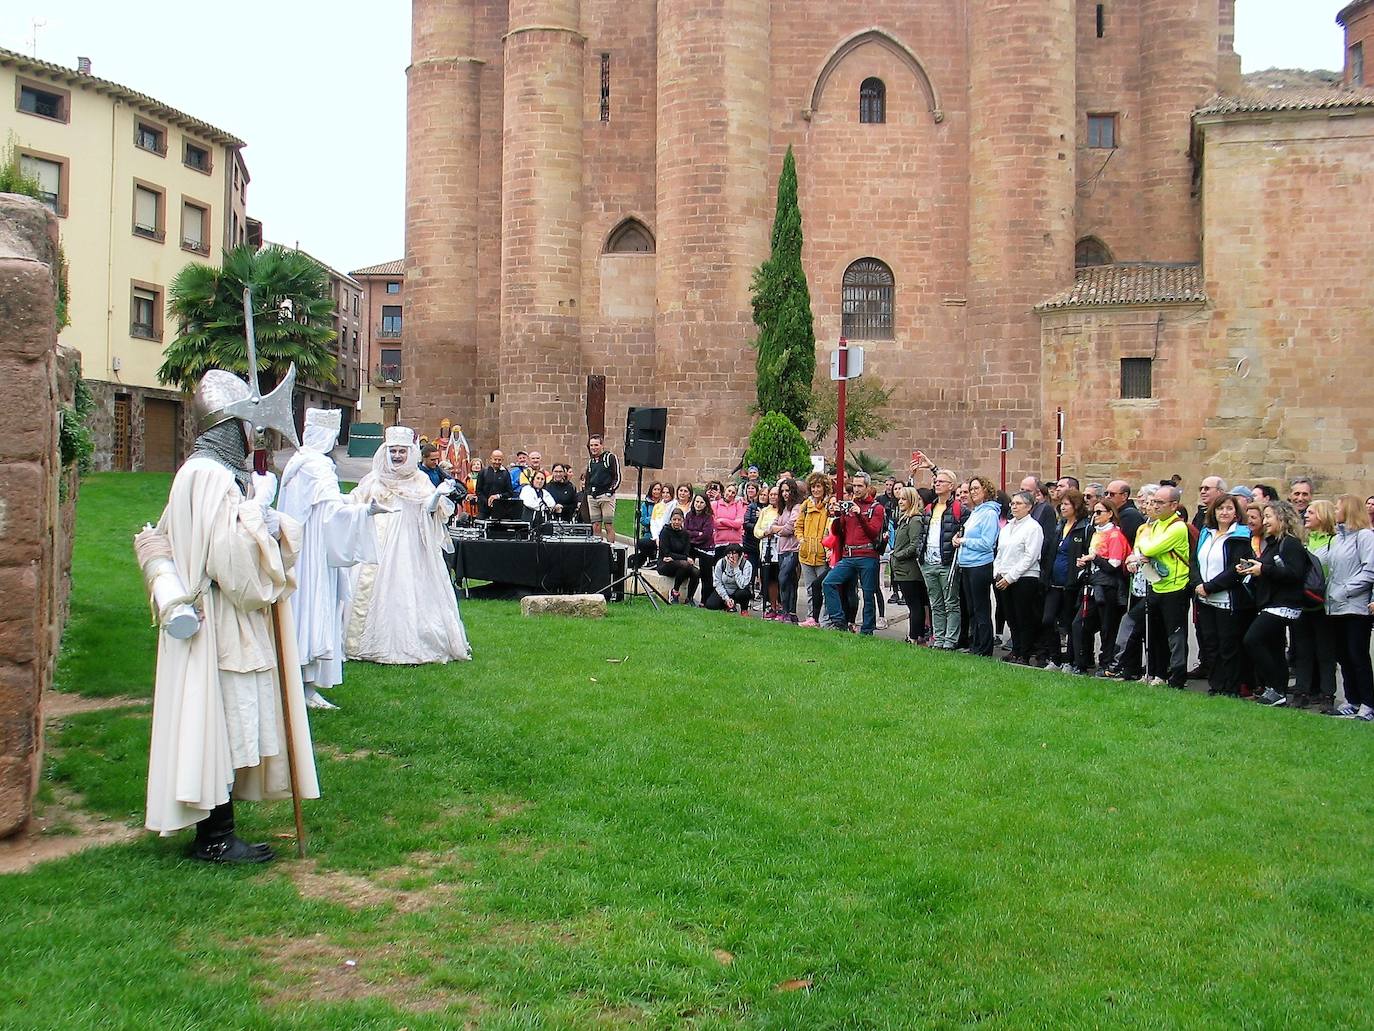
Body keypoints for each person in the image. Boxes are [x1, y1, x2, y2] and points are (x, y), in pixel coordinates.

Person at [142, 369, 319, 862]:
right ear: (231, 425)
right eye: (248, 425)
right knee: (220, 720)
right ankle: (215, 839)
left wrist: (259, 520)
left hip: (210, 618)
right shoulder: (214, 478)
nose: (252, 436)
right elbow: (235, 568)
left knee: (216, 720)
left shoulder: (196, 473)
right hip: (217, 620)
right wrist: (268, 526)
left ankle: (216, 831)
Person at [277, 408, 384, 711]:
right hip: (313, 554)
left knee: (300, 608)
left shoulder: (297, 463)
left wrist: (349, 502)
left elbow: (322, 507)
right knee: (314, 607)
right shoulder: (318, 466)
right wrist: (365, 511)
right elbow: (330, 515)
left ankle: (297, 679)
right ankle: (306, 685)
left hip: (298, 549)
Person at [345, 427, 472, 665]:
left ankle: (406, 643)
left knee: (405, 590)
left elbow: (429, 509)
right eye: (393, 451)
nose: (396, 456)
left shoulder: (420, 479)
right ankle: (360, 642)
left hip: (408, 545)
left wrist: (436, 497)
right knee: (369, 588)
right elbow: (355, 501)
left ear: (410, 452)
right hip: (375, 543)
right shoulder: (374, 479)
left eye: (401, 451)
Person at [1240, 500, 1308, 707]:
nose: (1266, 521)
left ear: (1282, 518)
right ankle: (1277, 691)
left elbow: (1295, 574)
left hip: (1283, 604)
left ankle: (1275, 687)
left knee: (1253, 639)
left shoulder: (1291, 543)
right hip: (1270, 601)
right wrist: (1253, 569)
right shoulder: (1273, 543)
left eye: (1269, 516)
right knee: (1274, 647)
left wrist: (1264, 570)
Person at [1191, 492, 1255, 696]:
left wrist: (1211, 586)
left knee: (1229, 645)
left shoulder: (1242, 536)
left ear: (1236, 512)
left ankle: (1231, 687)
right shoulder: (1206, 533)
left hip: (1228, 599)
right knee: (1211, 644)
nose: (1224, 512)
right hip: (1204, 598)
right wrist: (1199, 584)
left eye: (1229, 508)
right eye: (1220, 508)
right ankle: (1216, 684)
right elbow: (1195, 562)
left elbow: (1237, 568)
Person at [1131, 485, 1192, 690]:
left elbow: (1148, 548)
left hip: (1175, 586)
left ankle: (1177, 676)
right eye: (1153, 501)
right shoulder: (1156, 525)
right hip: (1156, 585)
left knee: (1174, 634)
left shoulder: (1177, 527)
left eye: (1159, 502)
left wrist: (1144, 549)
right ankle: (1156, 673)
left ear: (1174, 505)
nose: (1154, 506)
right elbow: (1140, 547)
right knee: (1154, 632)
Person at [1323, 495, 1374, 719]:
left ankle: (1368, 703)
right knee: (1343, 655)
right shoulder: (1338, 539)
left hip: (1356, 607)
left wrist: (1344, 590)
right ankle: (1352, 700)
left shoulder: (1365, 537)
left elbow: (1368, 570)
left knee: (1357, 655)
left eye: (1337, 508)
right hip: (1335, 606)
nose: (1335, 512)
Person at [908, 458, 965, 651]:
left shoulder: (958, 509)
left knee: (951, 602)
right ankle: (939, 638)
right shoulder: (929, 508)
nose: (936, 483)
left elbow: (966, 531)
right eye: (936, 481)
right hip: (928, 561)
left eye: (941, 481)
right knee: (935, 603)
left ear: (951, 486)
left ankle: (951, 639)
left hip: (947, 562)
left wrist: (933, 466)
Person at [1071, 496, 1131, 675]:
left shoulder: (1115, 535)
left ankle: (1106, 664)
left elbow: (1114, 565)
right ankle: (1081, 662)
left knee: (1108, 628)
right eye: (1093, 512)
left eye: (1099, 512)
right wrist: (1084, 563)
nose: (1095, 515)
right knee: (1079, 624)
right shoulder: (1096, 533)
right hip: (1093, 584)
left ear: (1110, 514)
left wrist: (1093, 558)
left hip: (1109, 587)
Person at [1288, 500, 1338, 710]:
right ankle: (1302, 691)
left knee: (1325, 652)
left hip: (1323, 604)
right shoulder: (1303, 541)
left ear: (1323, 515)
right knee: (1303, 651)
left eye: (1311, 512)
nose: (1306, 515)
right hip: (1302, 602)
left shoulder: (1333, 542)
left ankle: (1327, 694)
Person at [823, 472, 886, 634]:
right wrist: (837, 515)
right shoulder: (849, 505)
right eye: (854, 485)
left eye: (860, 486)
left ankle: (867, 630)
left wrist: (859, 514)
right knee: (828, 582)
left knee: (868, 593)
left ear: (868, 487)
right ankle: (839, 620)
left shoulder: (876, 508)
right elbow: (838, 532)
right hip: (849, 556)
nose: (856, 489)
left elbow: (873, 532)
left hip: (867, 555)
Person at [1039, 489, 1089, 669]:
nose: (1062, 507)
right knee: (1047, 619)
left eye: (1066, 504)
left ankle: (1069, 660)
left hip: (1071, 584)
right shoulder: (1059, 527)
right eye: (1061, 504)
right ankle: (1055, 658)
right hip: (1053, 583)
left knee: (1067, 624)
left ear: (1076, 506)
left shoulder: (1084, 528)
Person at [993, 491, 1045, 664]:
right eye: (1013, 503)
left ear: (1029, 507)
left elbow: (1030, 557)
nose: (1014, 506)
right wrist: (998, 572)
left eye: (1019, 504)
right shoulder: (1007, 527)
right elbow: (1000, 552)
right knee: (1011, 616)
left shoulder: (1033, 528)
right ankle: (1015, 650)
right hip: (1004, 576)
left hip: (1024, 577)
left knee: (1024, 616)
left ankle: (1025, 652)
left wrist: (1011, 576)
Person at [953, 475, 1001, 656]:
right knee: (971, 608)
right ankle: (975, 644)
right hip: (967, 563)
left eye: (976, 488)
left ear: (986, 490)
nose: (973, 492)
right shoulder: (976, 512)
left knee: (981, 608)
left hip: (980, 565)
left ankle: (985, 647)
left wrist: (964, 541)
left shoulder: (989, 513)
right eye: (971, 489)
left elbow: (987, 543)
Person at [889, 487, 930, 643]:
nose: (900, 502)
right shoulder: (904, 519)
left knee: (915, 605)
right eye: (899, 499)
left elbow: (914, 545)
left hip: (909, 571)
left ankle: (914, 636)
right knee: (914, 605)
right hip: (901, 569)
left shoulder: (915, 520)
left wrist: (898, 555)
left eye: (904, 499)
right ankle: (916, 635)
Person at [797, 473, 832, 627]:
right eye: (813, 486)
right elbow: (798, 526)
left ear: (824, 488)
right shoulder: (806, 505)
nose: (816, 490)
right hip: (806, 554)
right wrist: (802, 540)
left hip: (822, 554)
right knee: (810, 589)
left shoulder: (828, 506)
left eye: (819, 486)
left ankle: (823, 618)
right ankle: (812, 617)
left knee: (823, 588)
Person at [772, 478, 804, 623]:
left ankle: (788, 610)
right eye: (783, 491)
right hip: (782, 549)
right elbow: (772, 526)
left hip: (793, 549)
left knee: (784, 579)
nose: (785, 494)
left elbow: (790, 528)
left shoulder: (796, 507)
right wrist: (778, 529)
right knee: (788, 582)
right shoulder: (783, 508)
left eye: (788, 491)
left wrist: (778, 529)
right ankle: (789, 612)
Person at [657, 508, 700, 604]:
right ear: (670, 520)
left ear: (682, 521)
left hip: (680, 563)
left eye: (679, 520)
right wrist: (684, 558)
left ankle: (689, 598)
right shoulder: (665, 532)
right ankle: (674, 592)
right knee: (684, 564)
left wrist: (680, 557)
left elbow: (686, 552)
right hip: (665, 564)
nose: (676, 522)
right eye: (674, 519)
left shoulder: (685, 534)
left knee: (696, 572)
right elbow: (666, 553)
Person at [585, 434, 621, 544]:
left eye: (596, 445)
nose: (593, 448)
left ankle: (611, 549)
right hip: (593, 496)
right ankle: (598, 549)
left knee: (608, 524)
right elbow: (588, 478)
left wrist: (610, 491)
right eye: (591, 445)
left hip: (606, 495)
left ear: (601, 445)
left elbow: (617, 476)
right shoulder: (591, 462)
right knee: (595, 525)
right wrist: (588, 492)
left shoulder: (610, 457)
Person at [755, 485, 782, 618]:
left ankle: (782, 605)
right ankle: (772, 606)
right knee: (769, 579)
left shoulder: (783, 510)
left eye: (775, 494)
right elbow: (756, 531)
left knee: (780, 578)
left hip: (780, 548)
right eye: (771, 494)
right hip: (766, 548)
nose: (772, 497)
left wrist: (775, 531)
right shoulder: (765, 511)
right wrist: (765, 532)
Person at [684, 492, 716, 604]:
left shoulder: (709, 518)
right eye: (697, 501)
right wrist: (697, 534)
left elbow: (707, 535)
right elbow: (685, 532)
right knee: (691, 571)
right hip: (691, 547)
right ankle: (689, 597)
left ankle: (704, 601)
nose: (698, 504)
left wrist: (694, 536)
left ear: (706, 504)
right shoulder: (689, 515)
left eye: (701, 502)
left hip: (706, 548)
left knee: (706, 575)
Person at [705, 544, 754, 613]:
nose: (731, 556)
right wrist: (726, 598)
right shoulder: (721, 563)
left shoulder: (746, 564)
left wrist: (736, 568)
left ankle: (744, 610)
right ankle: (727, 605)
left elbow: (743, 585)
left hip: (738, 591)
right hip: (725, 590)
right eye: (729, 553)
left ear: (740, 555)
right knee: (710, 605)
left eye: (734, 553)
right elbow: (717, 582)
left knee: (743, 593)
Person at [713, 481, 747, 571]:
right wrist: (732, 524)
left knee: (735, 570)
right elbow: (714, 524)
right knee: (720, 569)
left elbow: (739, 524)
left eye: (733, 493)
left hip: (735, 542)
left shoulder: (738, 505)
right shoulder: (715, 504)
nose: (730, 494)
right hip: (719, 542)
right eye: (729, 491)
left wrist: (722, 520)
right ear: (724, 491)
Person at [1105, 480, 1146, 545]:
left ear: (1124, 496)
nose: (1107, 496)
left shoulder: (1130, 516)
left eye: (1112, 494)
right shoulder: (1115, 512)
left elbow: (1122, 541)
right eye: (1106, 493)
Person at [477, 449, 512, 518]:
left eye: (499, 460)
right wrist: (487, 501)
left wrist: (498, 496)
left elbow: (509, 492)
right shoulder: (483, 472)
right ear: (490, 459)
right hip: (484, 510)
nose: (497, 462)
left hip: (500, 509)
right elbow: (478, 491)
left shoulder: (505, 473)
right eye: (495, 459)